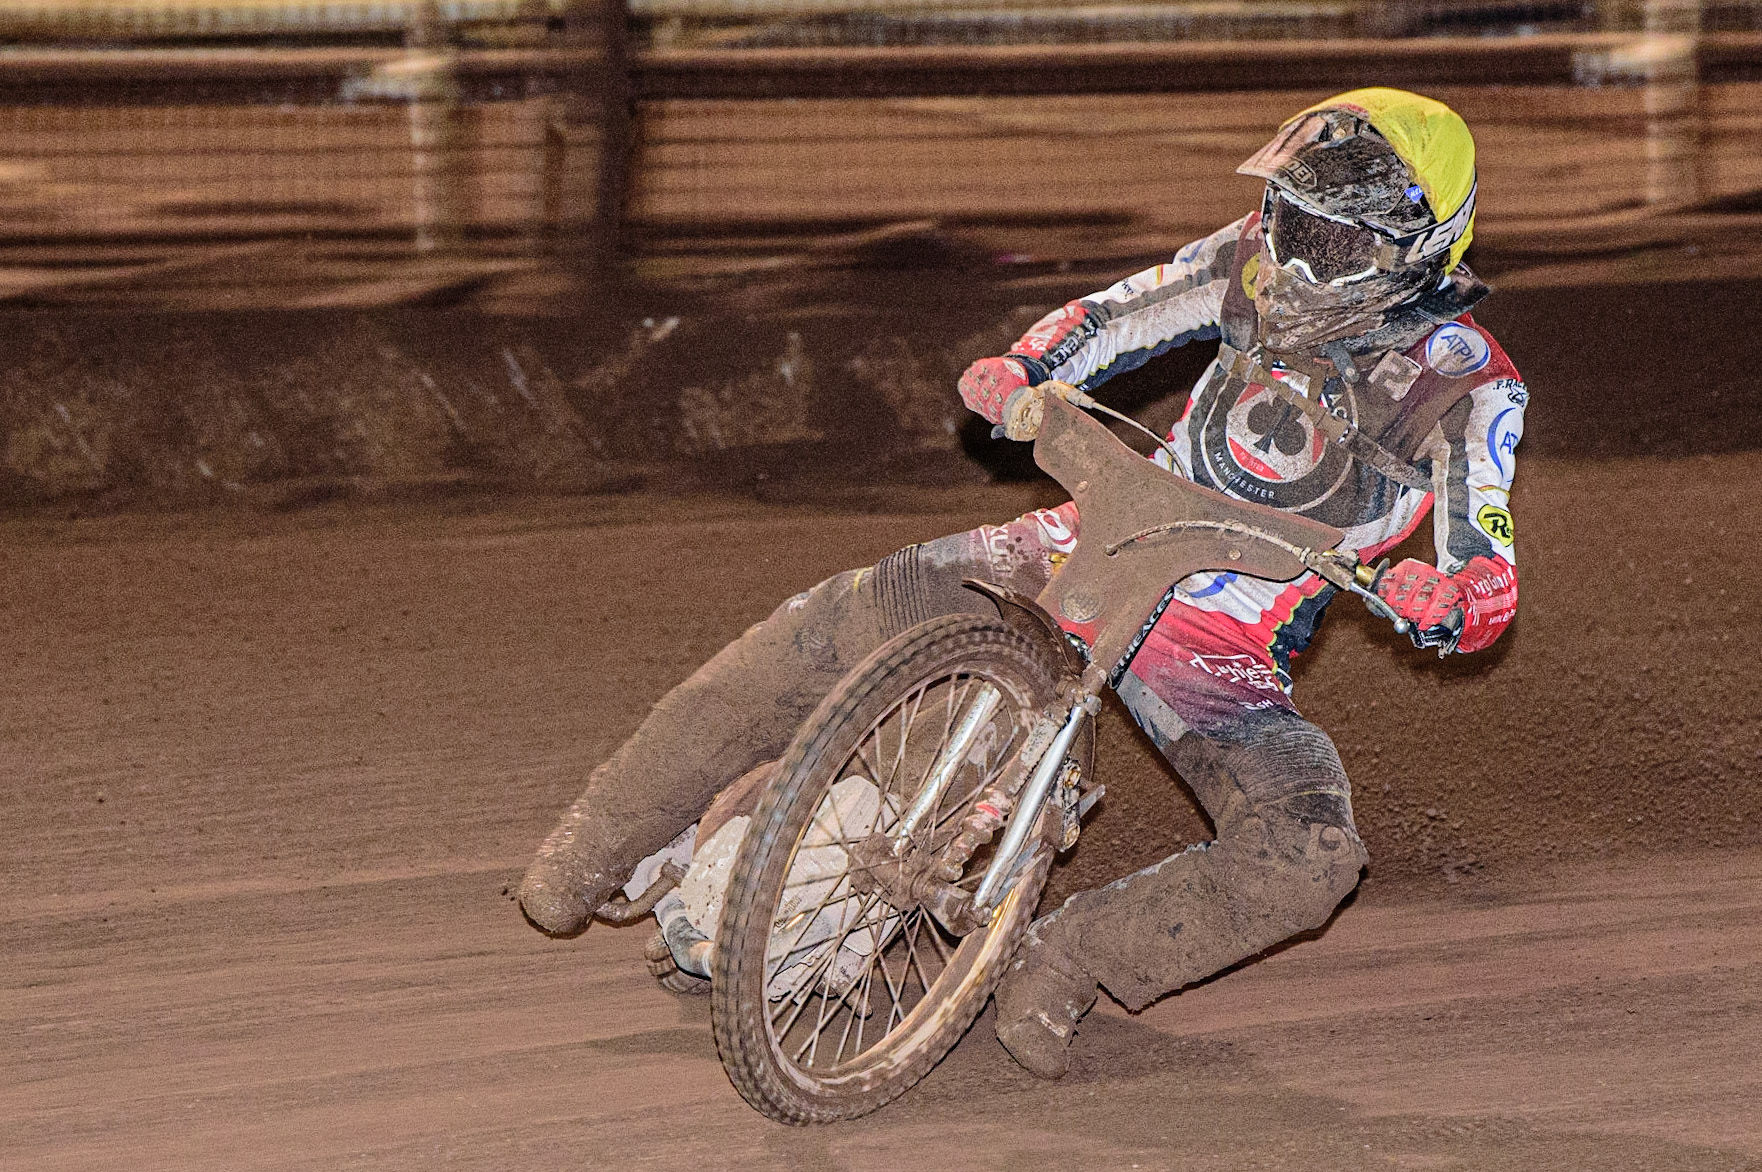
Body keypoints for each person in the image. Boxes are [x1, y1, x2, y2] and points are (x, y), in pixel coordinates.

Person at [518, 87, 1525, 1079]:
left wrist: (1454, 596)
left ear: (1414, 252)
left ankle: (1063, 959)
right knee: (839, 613)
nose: (1298, 256)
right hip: (1093, 535)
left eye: (1335, 241)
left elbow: (1484, 533)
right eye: (1291, 219)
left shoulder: (1465, 378)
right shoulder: (1244, 261)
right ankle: (602, 838)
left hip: (1217, 641)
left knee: (1308, 854)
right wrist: (1024, 364)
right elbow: (1117, 315)